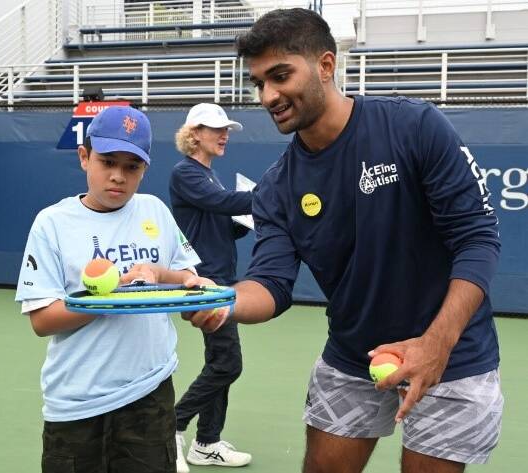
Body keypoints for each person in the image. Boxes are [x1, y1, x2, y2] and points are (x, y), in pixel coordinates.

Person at [185, 8, 503, 473]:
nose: (268, 96)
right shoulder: (277, 188)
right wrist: (222, 300)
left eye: (280, 76)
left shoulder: (413, 127)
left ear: (326, 66)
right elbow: (271, 284)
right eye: (258, 83)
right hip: (353, 359)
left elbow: (477, 238)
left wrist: (437, 344)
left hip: (454, 354)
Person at [15, 105, 217, 473]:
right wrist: (109, 299)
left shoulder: (154, 210)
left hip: (150, 394)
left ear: (144, 170)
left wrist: (191, 285)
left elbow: (184, 276)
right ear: (84, 157)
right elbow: (42, 320)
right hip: (77, 403)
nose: (118, 176)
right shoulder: (53, 224)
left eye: (131, 167)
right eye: (107, 162)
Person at [169, 103, 253, 472]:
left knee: (221, 362)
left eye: (227, 130)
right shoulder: (186, 173)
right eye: (216, 129)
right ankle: (171, 426)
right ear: (194, 134)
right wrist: (271, 197)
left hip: (221, 280)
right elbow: (220, 203)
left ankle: (207, 443)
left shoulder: (208, 175)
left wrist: (244, 223)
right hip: (203, 283)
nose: (224, 136)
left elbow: (219, 220)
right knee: (228, 364)